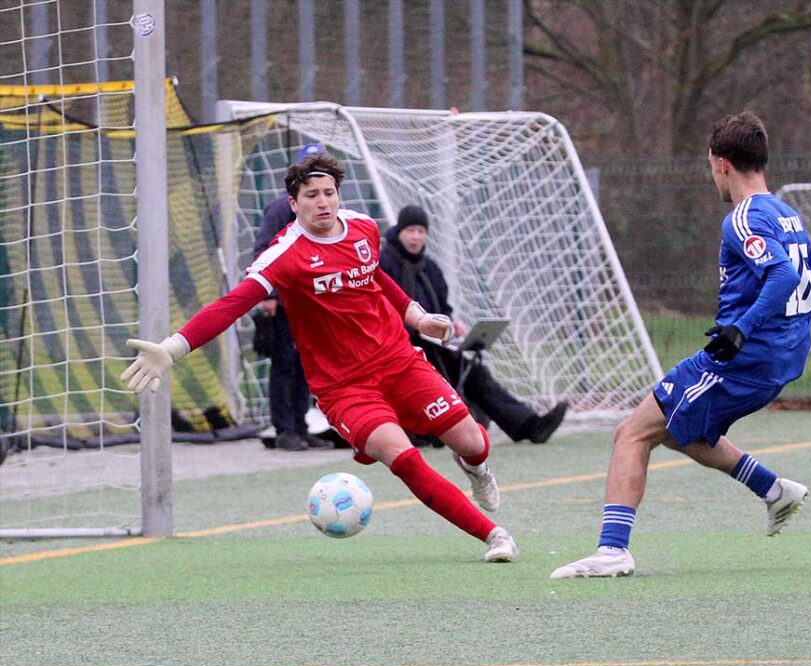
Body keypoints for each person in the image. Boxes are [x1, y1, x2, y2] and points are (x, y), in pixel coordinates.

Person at [121, 152, 519, 563]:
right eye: (311, 195)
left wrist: (415, 315)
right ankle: (495, 536)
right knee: (403, 458)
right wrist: (173, 346)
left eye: (329, 192)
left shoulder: (363, 228)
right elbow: (232, 304)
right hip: (344, 388)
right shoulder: (284, 254)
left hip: (400, 361)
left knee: (473, 442)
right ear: (294, 204)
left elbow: (374, 276)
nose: (323, 202)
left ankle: (476, 469)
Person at [550, 112, 811, 579]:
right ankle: (774, 491)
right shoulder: (788, 214)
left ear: (721, 164)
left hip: (740, 358)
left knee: (632, 433)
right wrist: (793, 335)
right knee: (682, 430)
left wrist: (743, 328)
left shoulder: (742, 217)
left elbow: (782, 274)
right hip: (779, 359)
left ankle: (612, 551)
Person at [379, 205, 568, 445]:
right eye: (410, 230)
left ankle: (528, 425)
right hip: (399, 346)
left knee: (475, 372)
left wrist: (451, 324)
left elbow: (442, 309)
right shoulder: (384, 264)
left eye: (420, 231)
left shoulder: (430, 268)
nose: (416, 237)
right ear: (399, 231)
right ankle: (433, 430)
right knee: (441, 373)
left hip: (433, 341)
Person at [252, 143, 334, 451]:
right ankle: (284, 428)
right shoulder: (279, 209)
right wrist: (269, 294)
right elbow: (264, 251)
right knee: (284, 363)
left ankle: (301, 425)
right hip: (286, 302)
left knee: (306, 365)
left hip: (313, 303)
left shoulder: (332, 212)